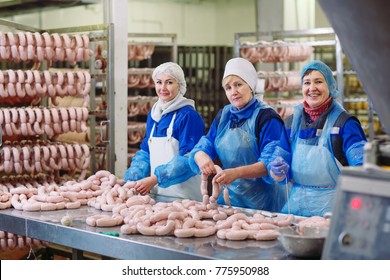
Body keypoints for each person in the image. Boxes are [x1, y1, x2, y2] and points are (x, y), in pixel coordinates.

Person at [188, 57, 289, 211]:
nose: (233, 92)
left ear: (250, 85)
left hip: (263, 202)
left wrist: (236, 173)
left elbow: (269, 164)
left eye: (238, 85)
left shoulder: (267, 118)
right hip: (230, 198)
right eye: (228, 87)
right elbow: (206, 143)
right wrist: (200, 155)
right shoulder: (224, 116)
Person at [269, 60, 367, 217]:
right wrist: (277, 171)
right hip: (296, 211)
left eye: (319, 82)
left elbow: (362, 170)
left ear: (330, 86)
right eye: (306, 82)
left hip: (334, 212)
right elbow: (280, 165)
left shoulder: (345, 123)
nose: (312, 88)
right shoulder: (291, 123)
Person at [124, 62, 205, 201]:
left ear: (180, 85)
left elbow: (190, 159)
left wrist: (156, 178)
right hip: (158, 194)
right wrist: (133, 178)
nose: (163, 88)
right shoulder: (154, 114)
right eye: (159, 82)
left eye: (169, 82)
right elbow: (145, 152)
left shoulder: (188, 116)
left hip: (185, 197)